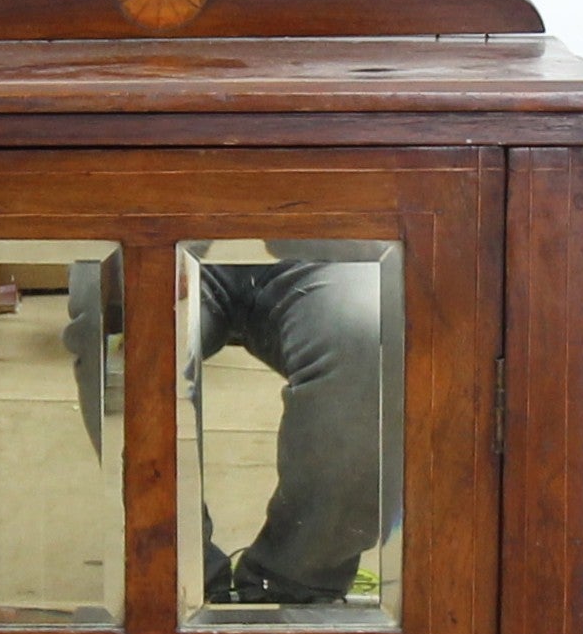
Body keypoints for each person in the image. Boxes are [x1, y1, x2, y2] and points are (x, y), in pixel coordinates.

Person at [65, 249, 394, 607]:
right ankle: (181, 584)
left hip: (320, 241)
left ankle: (297, 589)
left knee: (371, 329)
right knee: (119, 320)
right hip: (165, 229)